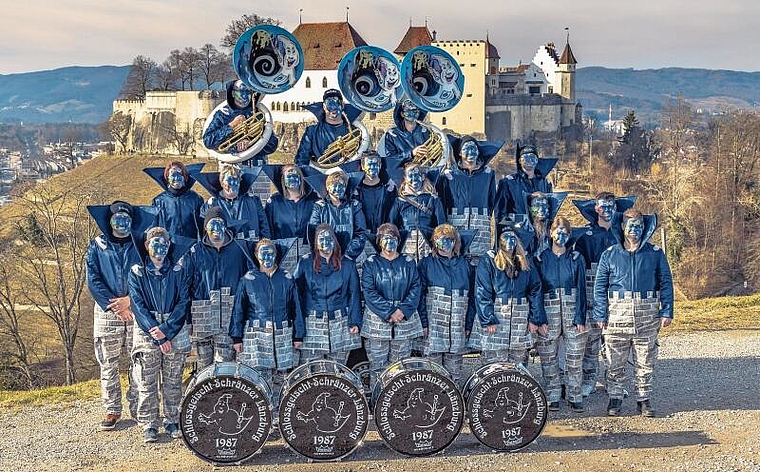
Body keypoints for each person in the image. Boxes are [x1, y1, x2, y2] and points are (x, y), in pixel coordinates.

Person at [593, 209, 674, 417]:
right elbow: (600, 286)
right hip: (616, 316)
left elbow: (666, 283)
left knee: (645, 361)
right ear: (622, 226)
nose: (634, 229)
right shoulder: (609, 254)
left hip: (647, 316)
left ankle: (643, 400)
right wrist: (600, 314)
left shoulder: (655, 253)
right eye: (630, 224)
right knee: (614, 362)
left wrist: (667, 311)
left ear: (644, 227)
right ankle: (615, 398)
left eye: (638, 225)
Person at [86, 201, 148, 430]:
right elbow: (92, 279)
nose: (122, 222)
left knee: (139, 361)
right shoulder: (97, 246)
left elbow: (149, 274)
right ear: (109, 221)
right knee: (108, 363)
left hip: (136, 309)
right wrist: (114, 305)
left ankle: (138, 407)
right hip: (107, 311)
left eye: (126, 218)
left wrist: (131, 300)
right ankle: (112, 409)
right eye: (117, 218)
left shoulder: (140, 244)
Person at [128, 227, 193, 443]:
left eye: (164, 243)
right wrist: (156, 332)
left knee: (173, 380)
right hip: (148, 330)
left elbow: (184, 302)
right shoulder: (137, 271)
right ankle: (149, 423)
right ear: (147, 246)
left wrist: (167, 331)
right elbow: (137, 305)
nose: (160, 247)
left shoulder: (178, 270)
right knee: (147, 381)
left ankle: (172, 419)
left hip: (173, 328)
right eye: (156, 243)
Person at [572, 192, 637, 397]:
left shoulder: (622, 235)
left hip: (617, 296)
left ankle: (613, 383)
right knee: (591, 342)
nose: (607, 210)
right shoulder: (585, 236)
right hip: (592, 295)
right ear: (596, 209)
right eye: (603, 206)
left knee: (614, 343)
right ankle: (589, 379)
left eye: (611, 206)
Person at [231, 238, 303, 418]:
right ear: (256, 255)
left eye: (271, 252)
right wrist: (237, 337)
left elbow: (296, 308)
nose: (267, 256)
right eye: (263, 252)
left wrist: (298, 335)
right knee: (260, 378)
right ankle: (263, 415)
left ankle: (278, 415)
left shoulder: (287, 278)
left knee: (281, 376)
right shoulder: (248, 279)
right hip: (257, 335)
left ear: (276, 254)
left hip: (282, 333)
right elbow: (238, 309)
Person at [469, 224, 547, 365]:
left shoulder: (526, 260)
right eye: (505, 237)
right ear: (499, 240)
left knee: (518, 367)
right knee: (494, 367)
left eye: (513, 237)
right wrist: (488, 319)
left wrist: (535, 318)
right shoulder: (489, 260)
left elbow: (535, 289)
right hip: (497, 319)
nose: (510, 240)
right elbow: (482, 291)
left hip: (520, 319)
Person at [535, 217, 587, 412]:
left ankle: (575, 395)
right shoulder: (541, 258)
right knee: (549, 358)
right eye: (558, 231)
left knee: (574, 358)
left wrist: (580, 317)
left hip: (572, 311)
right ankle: (553, 395)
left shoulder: (575, 258)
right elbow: (536, 290)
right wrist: (539, 319)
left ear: (569, 235)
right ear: (550, 233)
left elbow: (582, 288)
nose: (561, 235)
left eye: (565, 232)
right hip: (549, 313)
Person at [360, 223, 423, 388]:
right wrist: (389, 312)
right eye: (386, 238)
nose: (390, 242)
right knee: (378, 368)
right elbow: (369, 291)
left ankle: (396, 404)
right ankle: (377, 401)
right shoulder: (370, 263)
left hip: (404, 323)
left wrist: (403, 310)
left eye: (394, 238)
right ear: (379, 241)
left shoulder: (408, 262)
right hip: (377, 325)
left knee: (400, 368)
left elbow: (416, 288)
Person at [187, 206, 249, 368]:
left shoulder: (239, 249)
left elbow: (248, 284)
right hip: (202, 319)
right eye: (211, 225)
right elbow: (186, 288)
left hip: (228, 319)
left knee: (225, 367)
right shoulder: (195, 251)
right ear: (205, 228)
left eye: (219, 223)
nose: (216, 229)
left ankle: (222, 394)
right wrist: (189, 321)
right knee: (203, 368)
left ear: (225, 225)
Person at [417, 224, 476, 388]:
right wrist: (423, 322)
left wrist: (469, 324)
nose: (445, 243)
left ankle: (453, 405)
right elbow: (419, 296)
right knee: (432, 373)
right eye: (441, 239)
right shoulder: (426, 263)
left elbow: (473, 297)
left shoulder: (466, 265)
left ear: (455, 241)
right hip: (434, 328)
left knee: (454, 374)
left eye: (449, 239)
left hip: (457, 328)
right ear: (434, 242)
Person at [294, 224, 362, 364]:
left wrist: (355, 321)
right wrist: (298, 330)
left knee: (337, 370)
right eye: (321, 239)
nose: (325, 243)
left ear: (335, 241)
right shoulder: (305, 262)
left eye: (329, 239)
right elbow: (296, 296)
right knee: (311, 372)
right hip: (312, 323)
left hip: (340, 322)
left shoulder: (348, 264)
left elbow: (354, 294)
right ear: (316, 243)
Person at [438, 135, 503, 263]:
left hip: (481, 231)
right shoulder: (448, 175)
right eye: (466, 149)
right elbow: (442, 204)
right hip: (456, 228)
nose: (470, 153)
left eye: (474, 149)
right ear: (459, 153)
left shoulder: (488, 174)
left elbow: (492, 203)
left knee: (479, 269)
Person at [202, 79, 279, 167]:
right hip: (231, 169)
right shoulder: (222, 114)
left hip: (259, 166)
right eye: (240, 91)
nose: (244, 95)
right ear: (233, 93)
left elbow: (272, 145)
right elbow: (208, 141)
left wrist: (250, 144)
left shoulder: (258, 115)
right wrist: (231, 126)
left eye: (248, 92)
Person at [262, 164, 318, 274]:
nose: (292, 179)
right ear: (283, 179)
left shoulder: (313, 200)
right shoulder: (274, 201)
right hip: (283, 252)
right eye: (289, 176)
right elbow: (267, 229)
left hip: (307, 253)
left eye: (295, 175)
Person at [388, 161, 447, 261]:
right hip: (406, 246)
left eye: (417, 175)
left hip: (427, 245)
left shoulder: (432, 199)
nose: (414, 179)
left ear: (423, 177)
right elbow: (392, 225)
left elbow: (442, 225)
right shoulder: (400, 201)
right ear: (405, 179)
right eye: (410, 176)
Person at [197, 163, 271, 242]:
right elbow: (204, 234)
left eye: (235, 180)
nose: (232, 184)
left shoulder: (253, 201)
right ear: (222, 182)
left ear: (239, 181)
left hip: (250, 249)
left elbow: (264, 228)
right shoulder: (211, 205)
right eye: (229, 180)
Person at [306, 170, 368, 260]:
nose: (338, 188)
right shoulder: (319, 207)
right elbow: (313, 232)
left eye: (341, 185)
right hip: (326, 256)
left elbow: (361, 233)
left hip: (351, 257)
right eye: (334, 185)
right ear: (327, 187)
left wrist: (347, 255)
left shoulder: (354, 206)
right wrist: (326, 253)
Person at [294, 89, 363, 168]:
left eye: (337, 103)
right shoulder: (312, 131)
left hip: (348, 175)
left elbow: (363, 157)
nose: (333, 108)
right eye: (329, 104)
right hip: (320, 175)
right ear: (324, 106)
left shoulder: (355, 131)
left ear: (342, 105)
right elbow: (301, 160)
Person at [494, 144, 556, 222]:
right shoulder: (508, 182)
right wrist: (504, 229)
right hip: (517, 227)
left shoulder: (545, 183)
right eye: (525, 158)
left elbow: (550, 209)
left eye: (532, 158)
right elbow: (500, 211)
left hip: (539, 227)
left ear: (537, 160)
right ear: (520, 161)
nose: (529, 161)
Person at [144, 161, 205, 240]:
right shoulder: (159, 201)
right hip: (168, 246)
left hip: (191, 245)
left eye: (180, 174)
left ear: (185, 177)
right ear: (167, 178)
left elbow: (202, 226)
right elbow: (154, 227)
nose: (176, 178)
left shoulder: (195, 199)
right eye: (172, 174)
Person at [377, 98, 431, 166]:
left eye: (415, 110)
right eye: (409, 110)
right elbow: (390, 160)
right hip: (400, 174)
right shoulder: (392, 135)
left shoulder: (426, 132)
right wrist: (411, 153)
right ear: (402, 114)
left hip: (424, 172)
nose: (413, 113)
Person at [524, 191, 568, 258]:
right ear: (530, 208)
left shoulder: (554, 227)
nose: (541, 209)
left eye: (544, 205)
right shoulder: (524, 229)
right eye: (536, 206)